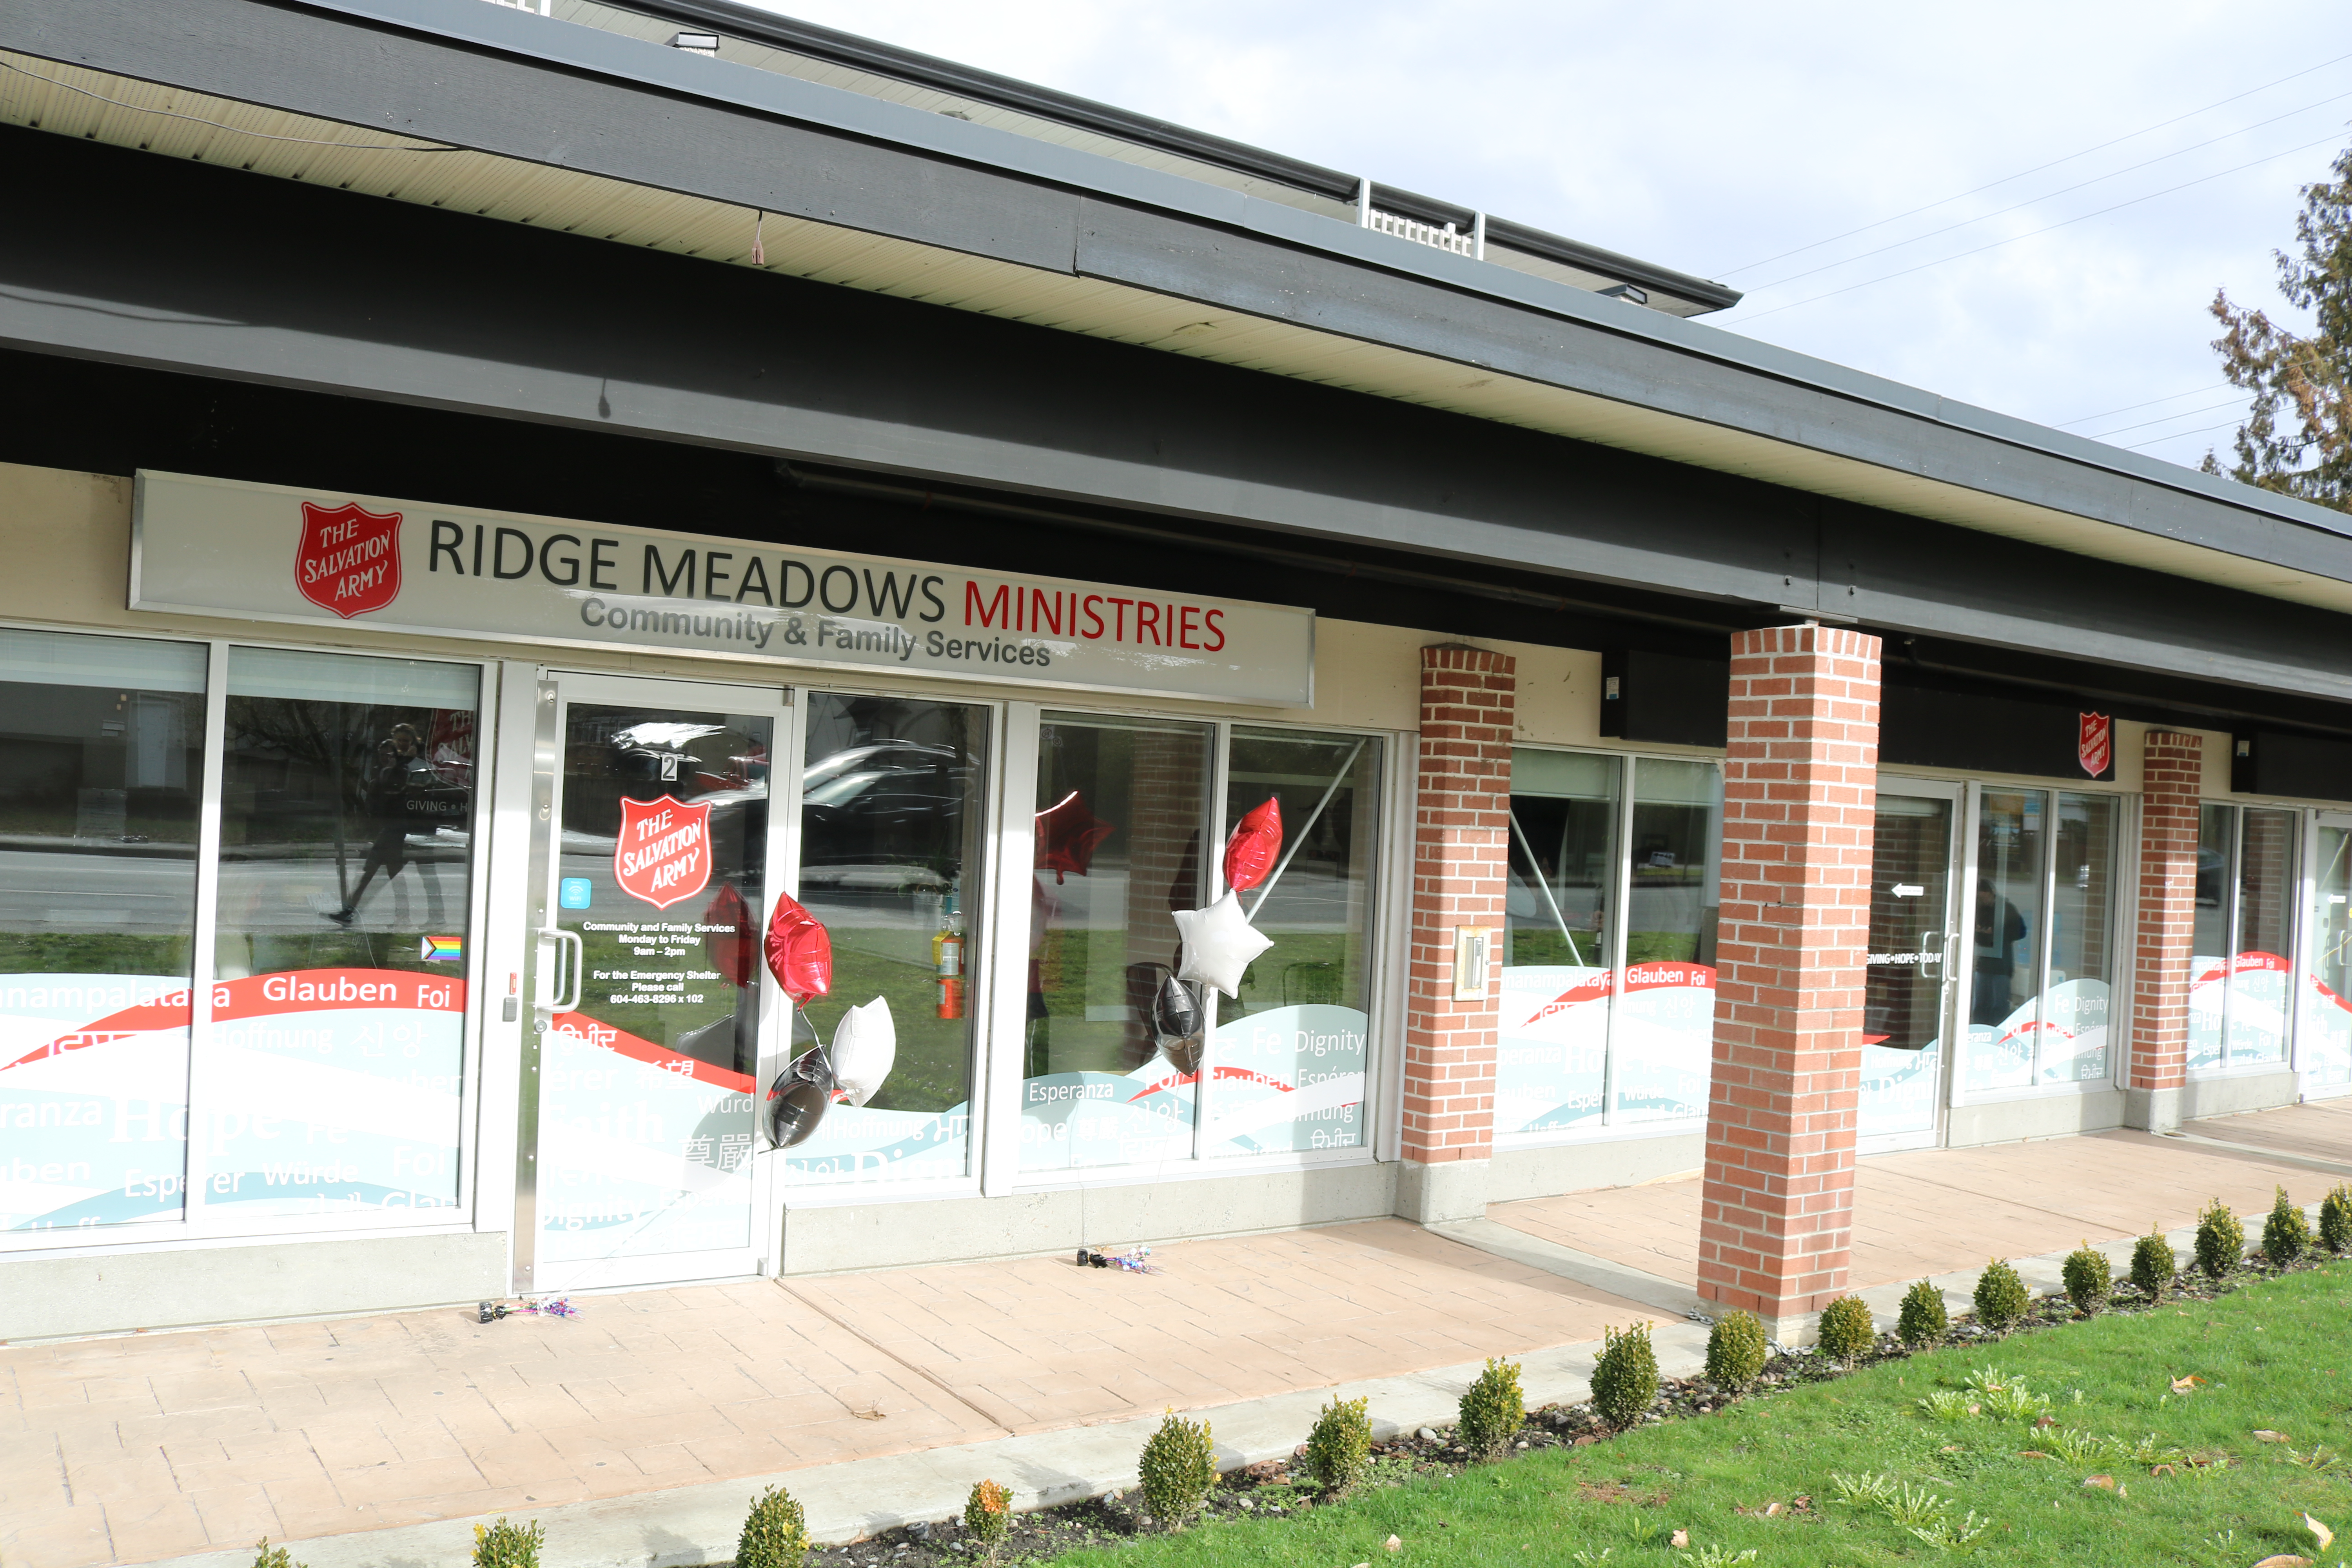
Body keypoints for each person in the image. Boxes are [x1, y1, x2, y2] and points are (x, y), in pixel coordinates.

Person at [327, 723, 438, 925]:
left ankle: (435, 917)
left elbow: (414, 794)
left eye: (406, 741)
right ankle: (355, 911)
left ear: (414, 743)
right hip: (395, 830)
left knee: (425, 877)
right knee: (376, 872)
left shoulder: (415, 766)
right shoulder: (392, 766)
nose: (402, 745)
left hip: (418, 830)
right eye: (399, 741)